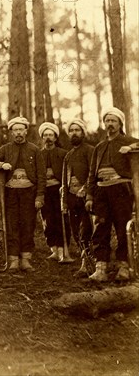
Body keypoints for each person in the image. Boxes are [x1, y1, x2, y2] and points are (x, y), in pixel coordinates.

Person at [0, 116, 46, 272]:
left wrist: (39, 196)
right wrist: (1, 164)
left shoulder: (34, 150)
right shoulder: (5, 149)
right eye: (15, 130)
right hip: (10, 194)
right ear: (11, 132)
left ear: (26, 131)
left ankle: (26, 260)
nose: (18, 132)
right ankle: (13, 260)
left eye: (21, 129)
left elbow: (41, 176)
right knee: (11, 225)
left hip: (29, 193)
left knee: (27, 224)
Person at [86, 107, 139, 282]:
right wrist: (89, 196)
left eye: (113, 121)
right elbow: (92, 173)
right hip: (101, 191)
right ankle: (102, 267)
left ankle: (124, 266)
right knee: (101, 228)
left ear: (120, 123)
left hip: (121, 190)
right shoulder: (99, 147)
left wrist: (130, 147)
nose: (110, 124)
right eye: (107, 121)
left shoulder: (128, 140)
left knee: (122, 227)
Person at [61, 119, 95, 277]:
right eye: (71, 130)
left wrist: (86, 190)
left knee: (86, 230)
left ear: (83, 132)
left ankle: (89, 263)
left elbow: (92, 173)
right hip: (72, 197)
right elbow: (64, 180)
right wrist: (64, 201)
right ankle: (85, 261)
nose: (74, 133)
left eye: (77, 130)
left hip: (86, 197)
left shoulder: (90, 151)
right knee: (75, 231)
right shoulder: (68, 155)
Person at [37, 122, 69, 262]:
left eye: (50, 135)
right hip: (44, 191)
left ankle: (63, 249)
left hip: (59, 190)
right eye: (45, 135)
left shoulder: (63, 154)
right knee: (47, 219)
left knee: (61, 218)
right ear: (42, 138)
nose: (48, 138)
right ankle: (54, 249)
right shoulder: (38, 154)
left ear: (55, 138)